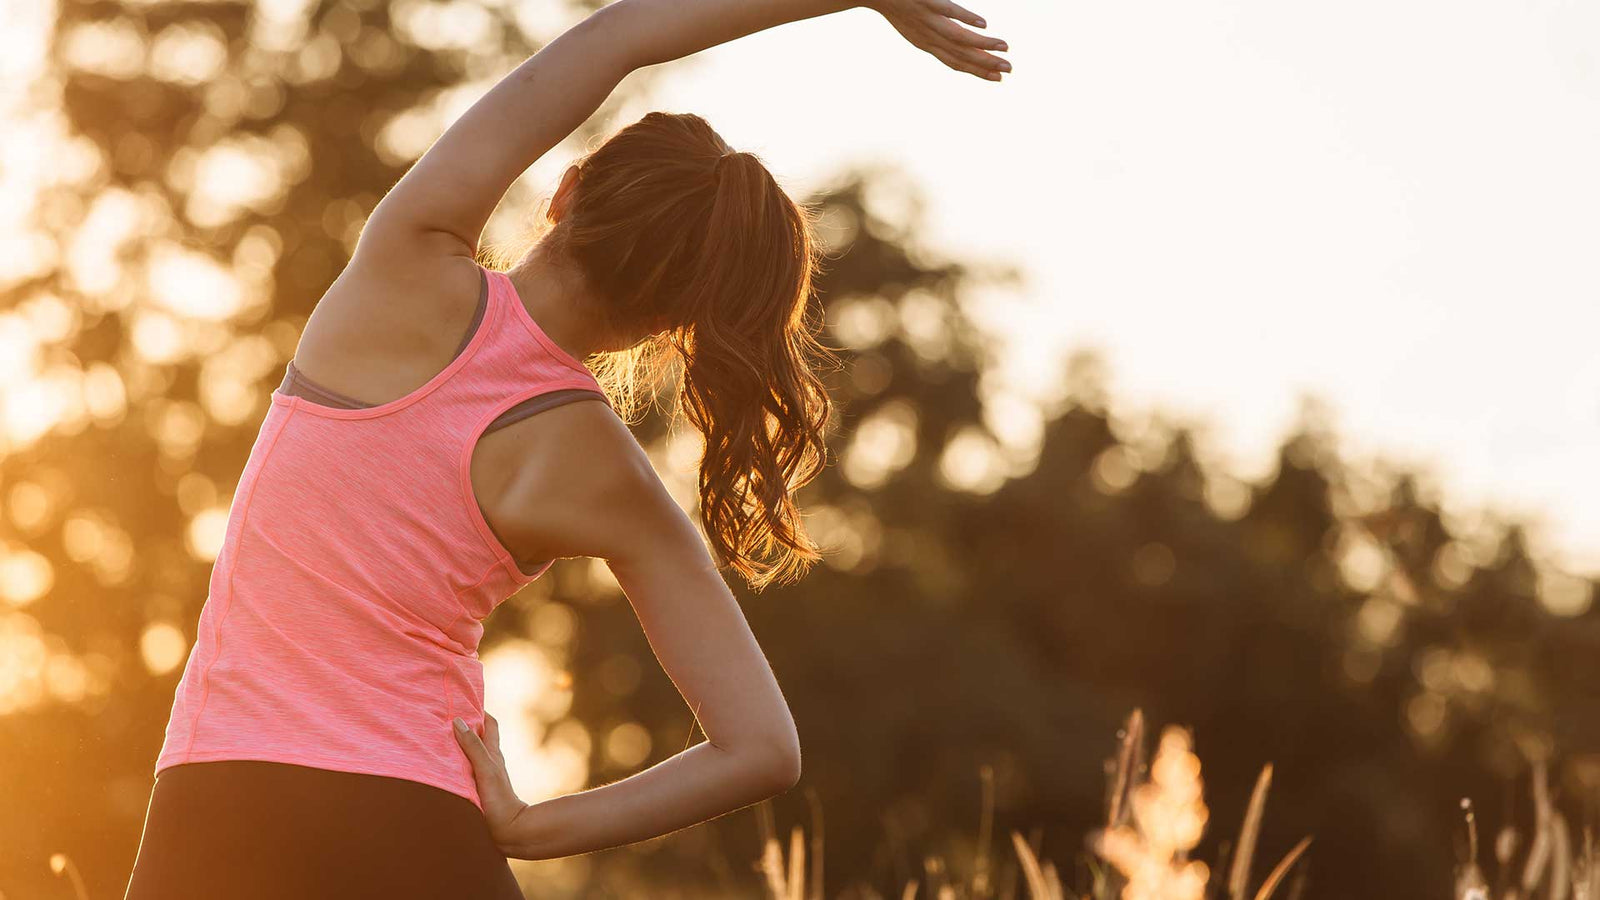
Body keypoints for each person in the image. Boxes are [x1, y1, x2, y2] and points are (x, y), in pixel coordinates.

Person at [123, 0, 1009, 895]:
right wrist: (528, 827)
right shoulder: (605, 471)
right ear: (672, 323)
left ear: (568, 189)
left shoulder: (404, 266)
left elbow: (619, 35)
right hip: (419, 825)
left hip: (219, 800)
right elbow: (762, 750)